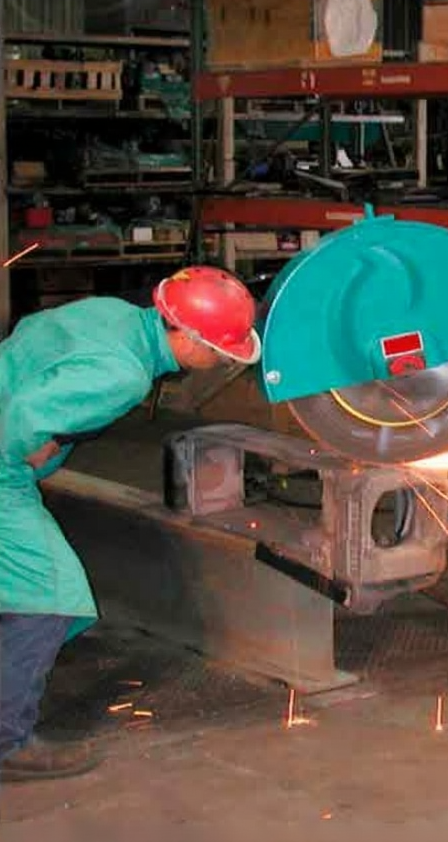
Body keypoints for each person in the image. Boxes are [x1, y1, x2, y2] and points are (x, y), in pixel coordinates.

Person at [0, 266, 261, 783]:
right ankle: (7, 742)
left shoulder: (115, 315)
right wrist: (29, 447)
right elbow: (20, 422)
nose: (221, 362)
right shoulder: (125, 374)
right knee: (51, 596)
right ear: (186, 338)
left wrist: (54, 434)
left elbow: (32, 336)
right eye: (218, 352)